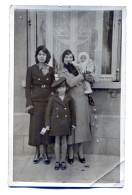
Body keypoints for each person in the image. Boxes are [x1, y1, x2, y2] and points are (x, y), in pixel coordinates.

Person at [58, 49, 93, 164]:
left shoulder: (78, 68)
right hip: (72, 100)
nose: (69, 59)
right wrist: (82, 75)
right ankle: (71, 152)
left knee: (82, 126)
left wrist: (89, 78)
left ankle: (81, 151)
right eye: (66, 57)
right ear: (63, 59)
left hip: (83, 98)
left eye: (70, 57)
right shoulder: (62, 71)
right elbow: (70, 83)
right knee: (73, 126)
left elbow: (87, 79)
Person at [25, 45, 55, 164]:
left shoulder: (51, 69)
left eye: (44, 54)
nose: (42, 56)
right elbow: (28, 88)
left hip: (47, 102)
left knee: (46, 126)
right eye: (39, 54)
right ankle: (37, 152)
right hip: (36, 103)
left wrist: (53, 99)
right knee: (36, 128)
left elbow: (53, 86)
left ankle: (46, 152)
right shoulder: (31, 69)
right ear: (36, 56)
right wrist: (29, 103)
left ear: (47, 56)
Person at [44, 77, 76, 170]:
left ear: (66, 88)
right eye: (60, 88)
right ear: (56, 89)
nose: (62, 89)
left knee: (64, 142)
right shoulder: (53, 98)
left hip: (66, 122)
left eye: (64, 87)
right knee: (57, 142)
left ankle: (63, 161)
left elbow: (73, 111)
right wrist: (47, 124)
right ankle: (57, 160)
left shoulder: (69, 98)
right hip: (56, 122)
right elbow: (48, 112)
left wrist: (73, 123)